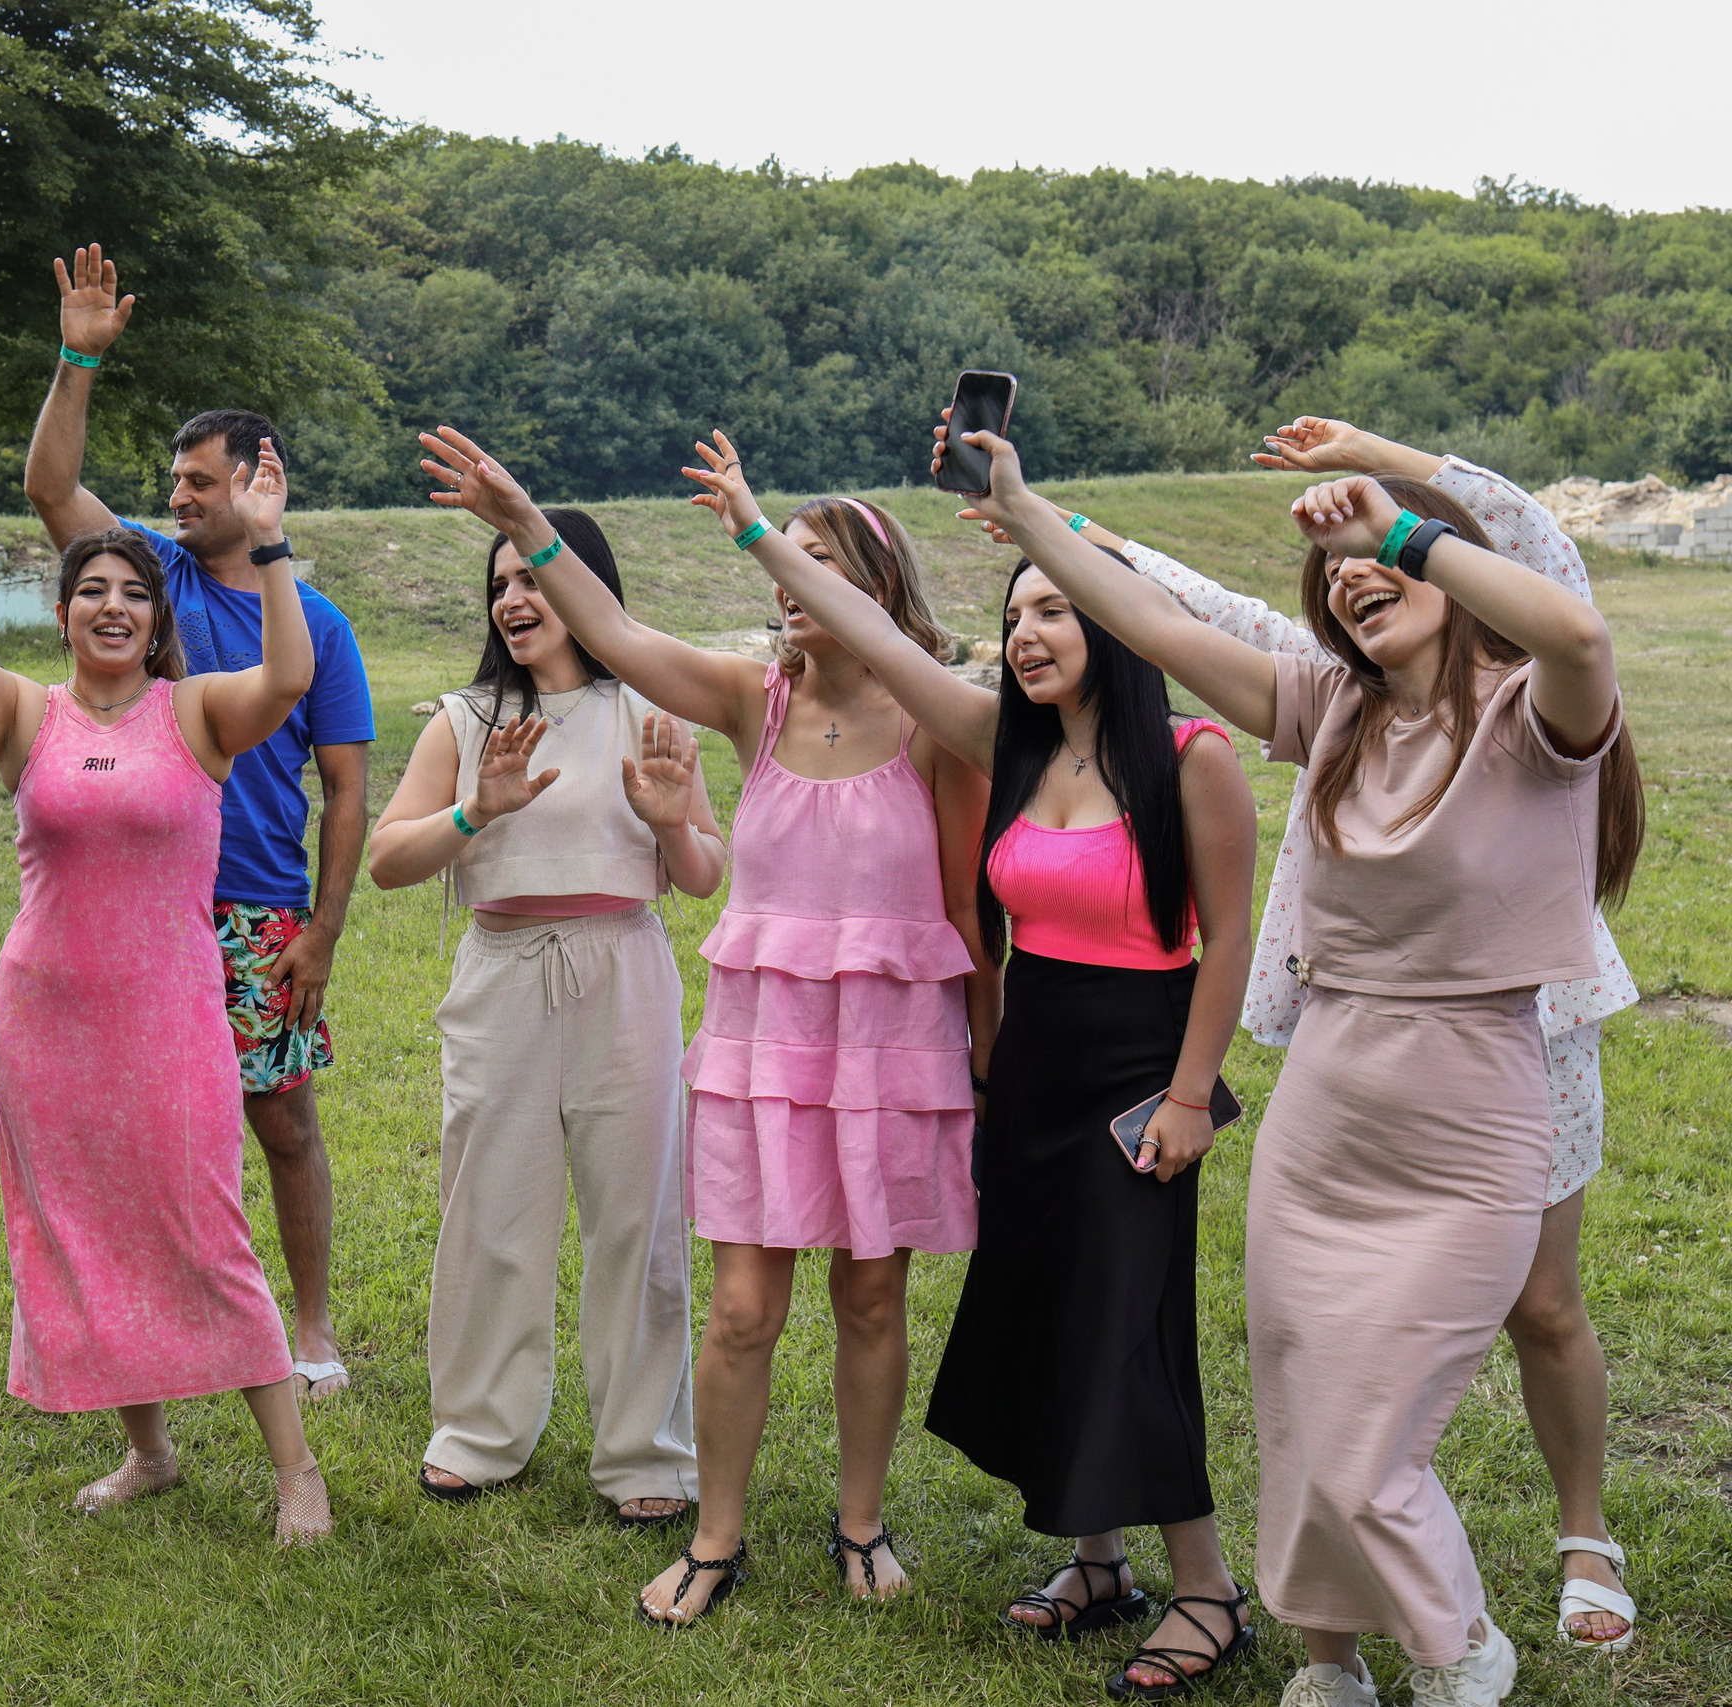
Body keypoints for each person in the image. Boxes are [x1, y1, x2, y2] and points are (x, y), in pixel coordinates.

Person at [937, 421, 1640, 1707]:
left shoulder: (1536, 717)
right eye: (1336, 584)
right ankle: (1328, 1655)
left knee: (1374, 1438)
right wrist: (1029, 517)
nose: (1353, 586)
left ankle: (1458, 1650)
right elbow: (1157, 632)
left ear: (1450, 574)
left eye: (1383, 575)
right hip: (1328, 1099)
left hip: (1469, 1105)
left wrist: (1397, 530)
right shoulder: (1326, 707)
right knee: (1306, 1404)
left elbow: (1578, 635)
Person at [679, 430, 1258, 1697]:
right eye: (1017, 613)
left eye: (1057, 606)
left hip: (1138, 1066)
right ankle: (1097, 1564)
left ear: (1117, 619)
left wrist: (1186, 1096)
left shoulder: (1192, 759)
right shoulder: (1013, 744)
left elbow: (1230, 948)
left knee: (1131, 1323)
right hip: (1032, 1055)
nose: (1032, 630)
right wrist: (751, 529)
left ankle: (1208, 1592)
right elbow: (875, 633)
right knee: (1056, 1311)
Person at [417, 426, 993, 1626]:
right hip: (760, 1041)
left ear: (874, 591)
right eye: (783, 562)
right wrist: (524, 522)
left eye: (815, 561)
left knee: (872, 1297)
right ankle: (715, 1539)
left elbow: (960, 908)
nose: (787, 583)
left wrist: (986, 1051)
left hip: (887, 1046)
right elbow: (619, 639)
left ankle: (860, 1522)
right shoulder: (753, 700)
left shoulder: (936, 725)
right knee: (740, 1307)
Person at [0, 403, 332, 1543]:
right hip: (44, 1021)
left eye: (131, 592)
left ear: (154, 619)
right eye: (90, 592)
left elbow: (288, 673)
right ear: (62, 615)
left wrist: (268, 545)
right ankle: (149, 1453)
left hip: (169, 1019)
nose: (111, 607)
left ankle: (295, 1471)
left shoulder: (198, 715)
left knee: (201, 1228)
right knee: (81, 1231)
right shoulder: (27, 715)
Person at [22, 245, 375, 1403]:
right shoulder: (149, 579)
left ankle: (309, 1330)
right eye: (173, 480)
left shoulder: (312, 621)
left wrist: (321, 929)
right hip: (135, 908)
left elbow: (346, 789)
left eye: (199, 481)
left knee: (279, 1120)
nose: (176, 497)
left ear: (259, 482)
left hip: (257, 908)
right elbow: (50, 489)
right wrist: (77, 359)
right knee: (135, 1133)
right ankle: (152, 1337)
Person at [367, 507, 725, 1526]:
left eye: (532, 578)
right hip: (504, 973)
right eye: (500, 585)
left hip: (624, 972)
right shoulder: (464, 718)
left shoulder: (649, 712)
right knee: (491, 1208)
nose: (513, 599)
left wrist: (668, 823)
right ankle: (477, 1432)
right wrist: (478, 809)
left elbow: (700, 874)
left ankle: (644, 1453)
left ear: (583, 589)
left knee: (638, 1216)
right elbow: (391, 861)